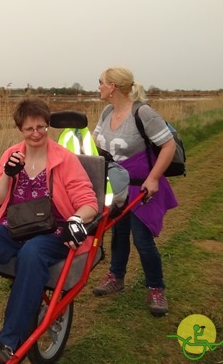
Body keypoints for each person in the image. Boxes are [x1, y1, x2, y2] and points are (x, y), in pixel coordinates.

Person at [0, 98, 98, 364]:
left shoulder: (64, 160)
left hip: (54, 231)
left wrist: (77, 220)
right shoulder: (12, 155)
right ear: (20, 128)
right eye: (30, 129)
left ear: (47, 126)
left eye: (41, 127)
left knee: (32, 252)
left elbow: (89, 203)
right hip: (15, 226)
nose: (36, 134)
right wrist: (8, 174)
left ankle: (10, 340)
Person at [92, 67, 178, 316]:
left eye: (101, 83)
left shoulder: (143, 113)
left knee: (142, 239)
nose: (98, 87)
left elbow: (168, 145)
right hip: (116, 186)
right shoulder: (107, 111)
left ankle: (156, 288)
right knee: (118, 233)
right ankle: (116, 277)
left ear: (113, 87)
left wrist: (153, 179)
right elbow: (96, 143)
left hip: (142, 187)